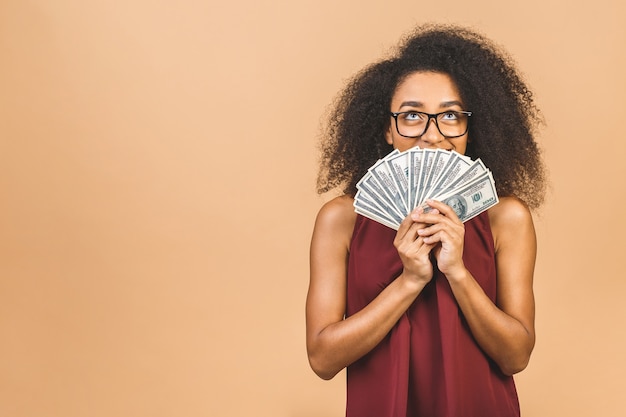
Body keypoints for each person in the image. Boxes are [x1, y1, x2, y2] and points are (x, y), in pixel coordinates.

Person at [306, 24, 546, 417]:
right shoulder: (342, 220)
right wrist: (410, 281)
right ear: (386, 127)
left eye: (450, 115)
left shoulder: (507, 218)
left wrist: (458, 273)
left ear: (471, 125)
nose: (433, 136)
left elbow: (515, 356)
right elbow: (322, 358)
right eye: (413, 115)